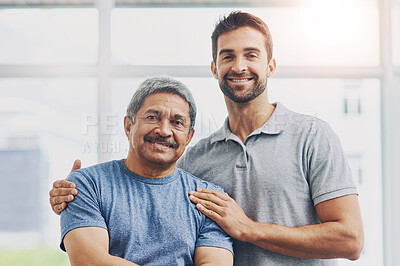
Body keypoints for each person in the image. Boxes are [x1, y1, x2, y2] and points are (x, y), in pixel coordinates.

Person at [50, 11, 364, 265]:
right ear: (214, 68)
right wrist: (72, 196)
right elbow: (153, 190)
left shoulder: (312, 136)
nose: (239, 65)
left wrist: (249, 229)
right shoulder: (195, 158)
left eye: (251, 55)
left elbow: (350, 241)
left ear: (270, 66)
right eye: (228, 56)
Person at [57, 76, 233, 266]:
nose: (164, 130)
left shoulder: (209, 200)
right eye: (152, 117)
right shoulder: (86, 185)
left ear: (189, 136)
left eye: (177, 122)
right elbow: (90, 262)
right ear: (128, 126)